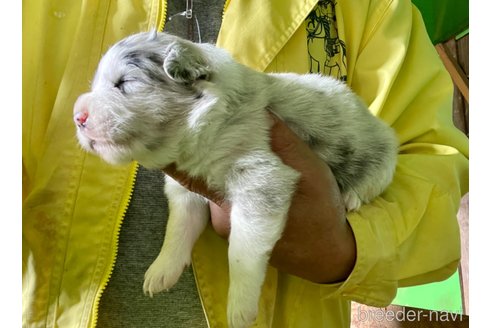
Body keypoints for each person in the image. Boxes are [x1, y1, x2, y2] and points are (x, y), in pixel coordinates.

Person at [23, 0, 469, 327]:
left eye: (122, 85)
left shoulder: (368, 7)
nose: (83, 110)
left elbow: (434, 166)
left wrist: (350, 244)